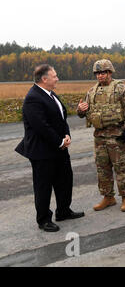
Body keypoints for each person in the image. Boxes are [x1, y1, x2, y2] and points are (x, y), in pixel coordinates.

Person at [15, 64, 84, 232]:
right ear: (44, 79)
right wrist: (60, 142)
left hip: (59, 148)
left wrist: (66, 136)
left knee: (65, 181)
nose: (57, 78)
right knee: (43, 186)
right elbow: (41, 126)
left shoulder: (51, 94)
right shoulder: (33, 98)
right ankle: (44, 219)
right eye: (55, 76)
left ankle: (63, 211)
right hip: (42, 151)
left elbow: (61, 119)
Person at [77, 59, 125, 212]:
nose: (100, 76)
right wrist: (80, 110)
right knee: (102, 169)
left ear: (110, 72)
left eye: (103, 72)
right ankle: (108, 197)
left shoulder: (121, 89)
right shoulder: (91, 92)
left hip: (117, 135)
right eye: (97, 73)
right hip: (99, 136)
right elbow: (83, 113)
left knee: (121, 167)